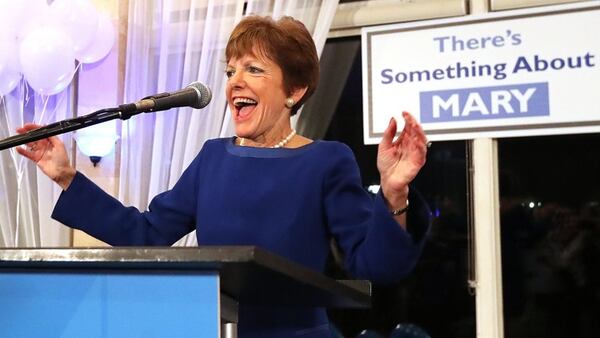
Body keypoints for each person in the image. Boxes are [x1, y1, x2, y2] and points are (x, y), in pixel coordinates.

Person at [16, 16, 431, 338]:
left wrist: (394, 193)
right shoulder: (213, 158)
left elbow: (376, 264)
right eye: (230, 70)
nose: (235, 82)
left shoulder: (326, 161)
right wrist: (66, 176)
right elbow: (146, 234)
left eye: (253, 69)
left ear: (295, 90)